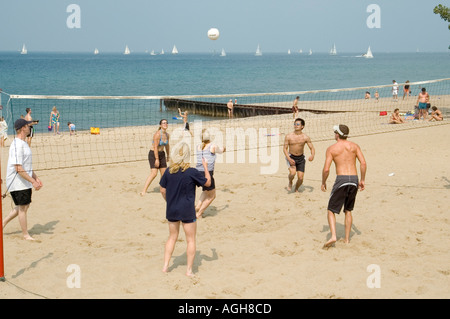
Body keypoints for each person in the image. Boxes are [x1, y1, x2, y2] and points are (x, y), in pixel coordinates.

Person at [160, 142, 211, 277]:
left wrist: (168, 201)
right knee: (191, 240)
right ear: (187, 156)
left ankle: (165, 266)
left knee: (172, 237)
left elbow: (162, 190)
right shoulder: (192, 172)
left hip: (172, 209)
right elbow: (208, 183)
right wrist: (206, 167)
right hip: (187, 210)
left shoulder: (168, 172)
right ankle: (188, 270)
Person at [321, 124, 366, 249]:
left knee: (331, 210)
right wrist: (362, 179)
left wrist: (323, 182)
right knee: (348, 210)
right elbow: (363, 163)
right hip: (354, 179)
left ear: (337, 134)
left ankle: (334, 236)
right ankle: (346, 239)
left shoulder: (332, 149)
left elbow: (326, 169)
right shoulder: (354, 146)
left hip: (342, 179)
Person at [2, 119, 43, 241]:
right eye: (28, 126)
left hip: (23, 179)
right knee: (23, 208)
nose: (30, 128)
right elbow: (18, 168)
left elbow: (26, 166)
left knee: (24, 206)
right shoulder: (17, 145)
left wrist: (36, 177)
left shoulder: (24, 143)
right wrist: (33, 181)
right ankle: (25, 235)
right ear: (23, 128)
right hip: (17, 181)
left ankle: (2, 223)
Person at [195, 129, 226, 218]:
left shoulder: (198, 146)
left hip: (198, 172)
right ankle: (199, 214)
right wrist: (224, 148)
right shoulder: (212, 146)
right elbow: (220, 150)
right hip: (207, 173)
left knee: (205, 190)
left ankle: (197, 206)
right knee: (212, 196)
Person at [283, 118, 315, 193]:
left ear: (302, 126)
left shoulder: (305, 137)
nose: (295, 125)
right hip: (291, 157)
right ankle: (290, 182)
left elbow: (312, 148)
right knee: (292, 173)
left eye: (298, 124)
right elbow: (284, 149)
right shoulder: (288, 136)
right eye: (295, 124)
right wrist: (289, 158)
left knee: (300, 178)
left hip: (301, 158)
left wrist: (312, 155)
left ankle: (296, 188)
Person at [140, 119, 170, 196]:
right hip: (153, 154)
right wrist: (157, 159)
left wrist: (168, 155)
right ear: (160, 125)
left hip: (162, 154)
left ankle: (162, 189)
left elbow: (167, 146)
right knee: (154, 173)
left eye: (166, 123)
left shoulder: (167, 135)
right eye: (163, 123)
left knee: (164, 174)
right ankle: (144, 190)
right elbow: (155, 148)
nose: (165, 124)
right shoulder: (157, 134)